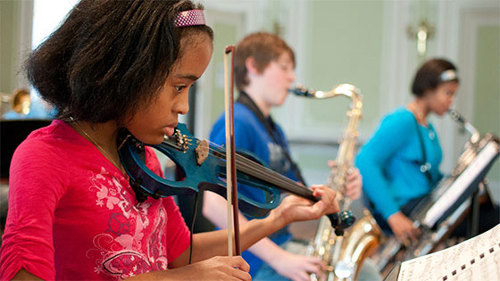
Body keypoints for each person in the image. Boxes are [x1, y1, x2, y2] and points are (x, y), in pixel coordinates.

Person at [0, 1, 340, 280]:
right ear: (125, 72)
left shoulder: (141, 156)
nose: (184, 106)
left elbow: (179, 253)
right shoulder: (45, 156)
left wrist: (275, 220)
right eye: (179, 86)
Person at [202, 32, 372, 281]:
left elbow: (299, 193)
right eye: (284, 68)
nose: (292, 77)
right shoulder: (238, 120)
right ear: (253, 66)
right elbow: (213, 204)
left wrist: (338, 188)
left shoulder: (273, 128)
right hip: (251, 261)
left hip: (280, 243)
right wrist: (279, 259)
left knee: (362, 271)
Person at [355, 58, 459, 245]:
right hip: (407, 207)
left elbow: (428, 173)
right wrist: (392, 214)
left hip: (424, 203)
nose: (451, 101)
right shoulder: (403, 120)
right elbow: (365, 161)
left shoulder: (427, 126)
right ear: (428, 89)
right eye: (448, 93)